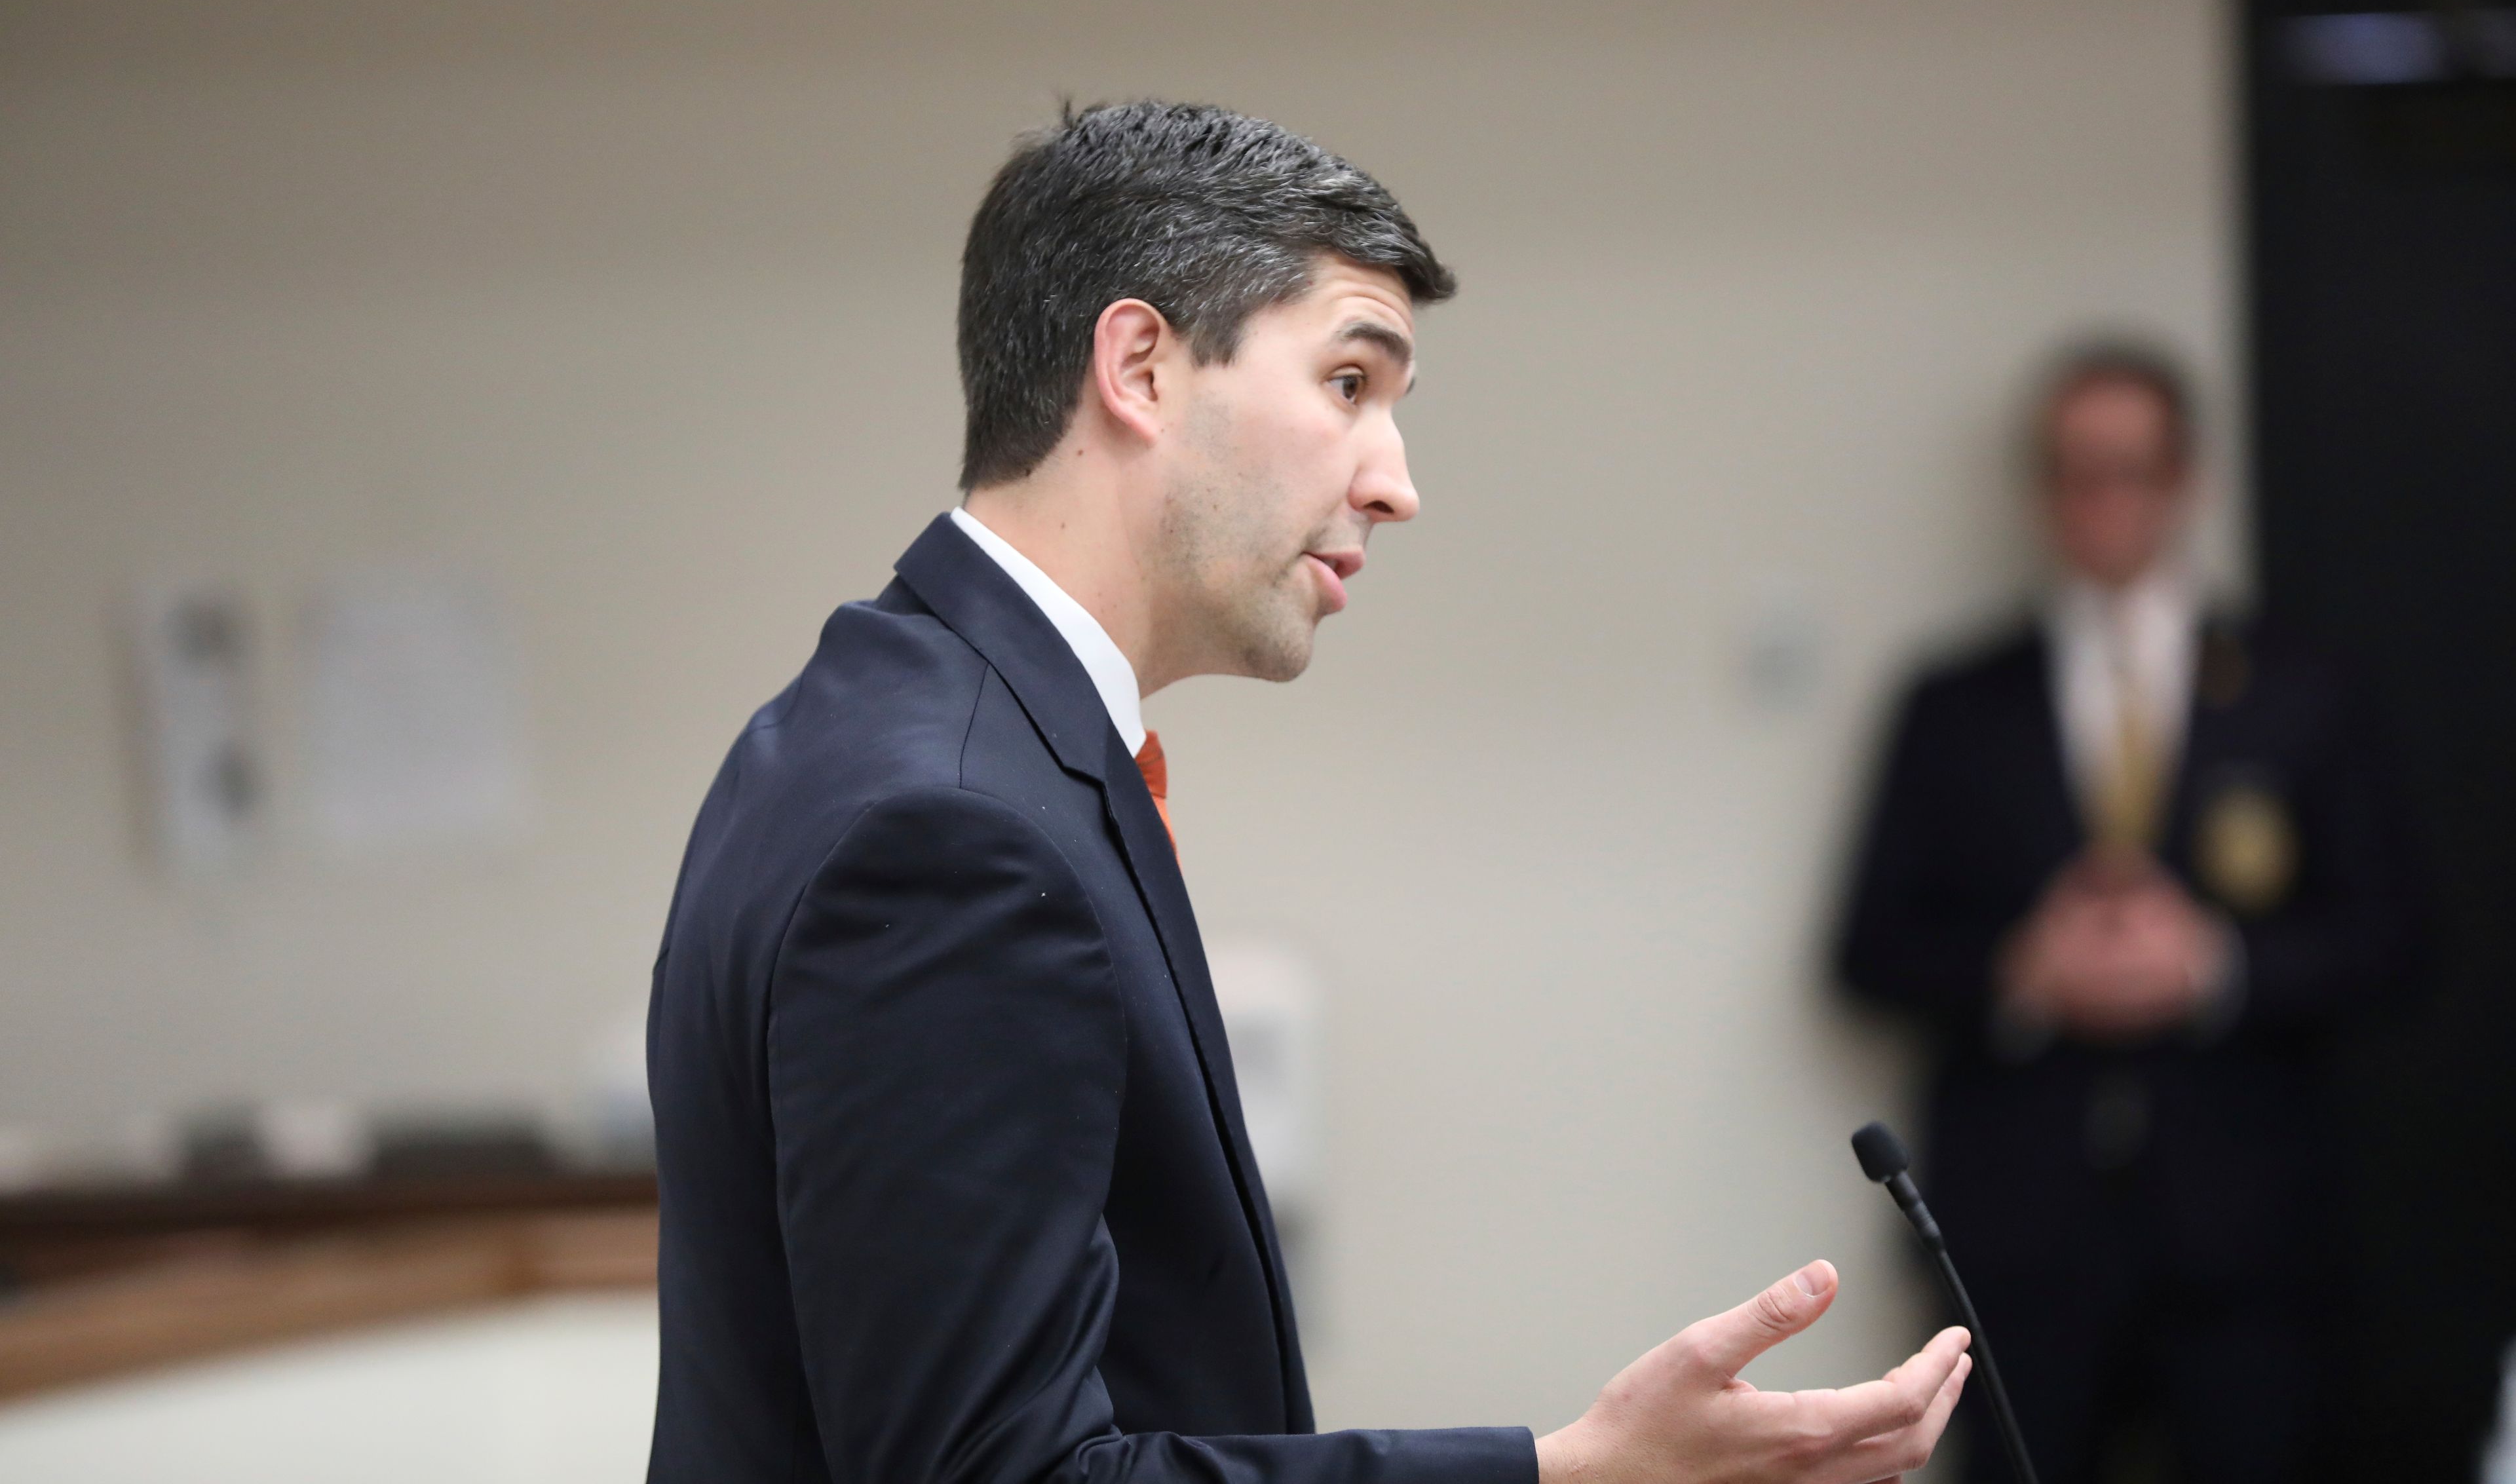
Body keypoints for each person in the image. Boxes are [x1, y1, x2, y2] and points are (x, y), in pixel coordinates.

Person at [645, 100, 1970, 1483]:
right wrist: (1572, 1470)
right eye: (1350, 382)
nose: (1394, 483)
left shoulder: (880, 720)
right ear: (1141, 366)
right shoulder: (952, 829)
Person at [1834, 341, 2422, 1484]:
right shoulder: (1955, 702)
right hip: (2020, 1238)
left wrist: (2215, 966)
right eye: (2075, 469)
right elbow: (1868, 952)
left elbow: (2394, 936)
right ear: (2040, 487)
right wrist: (2026, 969)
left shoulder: (2303, 688)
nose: (2101, 499)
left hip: (2249, 1236)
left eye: (2129, 468)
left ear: (2185, 479)